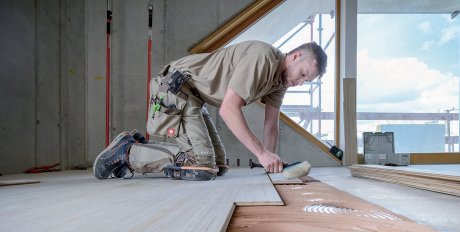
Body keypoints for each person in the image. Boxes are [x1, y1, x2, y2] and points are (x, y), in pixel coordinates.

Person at [93, 40, 327, 181]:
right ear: (295, 56)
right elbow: (228, 110)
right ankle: (127, 151)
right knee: (202, 165)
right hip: (177, 85)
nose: (301, 82)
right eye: (303, 74)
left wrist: (271, 163)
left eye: (308, 81)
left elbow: (271, 124)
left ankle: (135, 149)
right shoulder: (263, 59)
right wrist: (262, 154)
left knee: (219, 165)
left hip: (195, 96)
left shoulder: (280, 81)